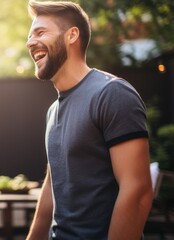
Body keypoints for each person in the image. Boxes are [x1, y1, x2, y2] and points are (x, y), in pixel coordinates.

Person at [25, 1, 153, 239]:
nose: (30, 42)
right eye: (30, 35)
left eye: (40, 32)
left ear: (72, 35)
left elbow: (137, 191)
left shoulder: (112, 94)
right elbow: (52, 186)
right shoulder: (52, 111)